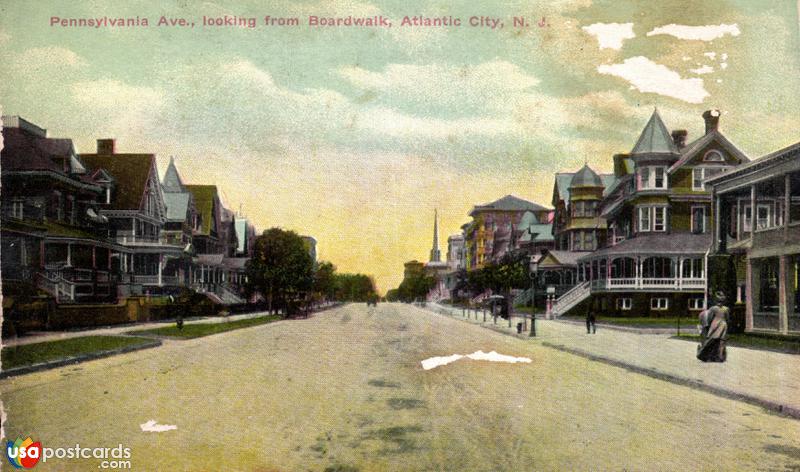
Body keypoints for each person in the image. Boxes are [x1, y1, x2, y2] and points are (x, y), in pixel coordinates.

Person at [697, 291, 729, 362]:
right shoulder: (726, 309)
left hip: (715, 324)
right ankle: (720, 357)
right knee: (721, 341)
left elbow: (710, 318)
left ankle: (705, 354)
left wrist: (708, 324)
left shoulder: (713, 308)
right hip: (723, 325)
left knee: (710, 340)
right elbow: (727, 318)